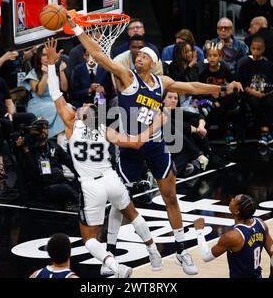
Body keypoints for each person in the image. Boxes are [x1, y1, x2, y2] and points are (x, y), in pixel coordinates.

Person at [65, 14, 243, 275]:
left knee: (170, 196)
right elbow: (101, 57)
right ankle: (111, 255)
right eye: (137, 56)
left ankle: (182, 250)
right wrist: (79, 30)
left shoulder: (163, 83)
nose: (138, 58)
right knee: (119, 202)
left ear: (154, 62)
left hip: (155, 144)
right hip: (129, 147)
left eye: (144, 56)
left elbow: (192, 86)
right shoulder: (127, 77)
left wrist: (223, 87)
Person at [46, 38, 164, 278]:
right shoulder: (104, 129)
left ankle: (114, 266)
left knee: (89, 239)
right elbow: (137, 142)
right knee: (133, 214)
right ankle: (153, 251)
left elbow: (55, 93)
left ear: (80, 115)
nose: (82, 106)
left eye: (83, 106)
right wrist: (155, 125)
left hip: (90, 186)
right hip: (111, 178)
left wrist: (50, 65)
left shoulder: (71, 125)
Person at [194, 194, 273, 278]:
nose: (231, 199)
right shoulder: (261, 224)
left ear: (237, 211)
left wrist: (199, 231)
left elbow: (206, 257)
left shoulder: (232, 237)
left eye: (234, 199)